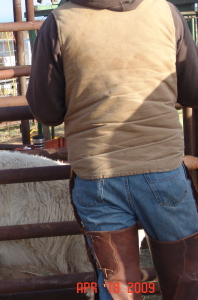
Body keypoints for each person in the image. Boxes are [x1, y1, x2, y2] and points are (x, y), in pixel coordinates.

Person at [26, 0, 198, 299]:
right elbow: (192, 88)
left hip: (98, 172)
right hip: (162, 167)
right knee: (186, 274)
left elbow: (47, 111)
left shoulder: (60, 22)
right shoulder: (165, 12)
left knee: (118, 286)